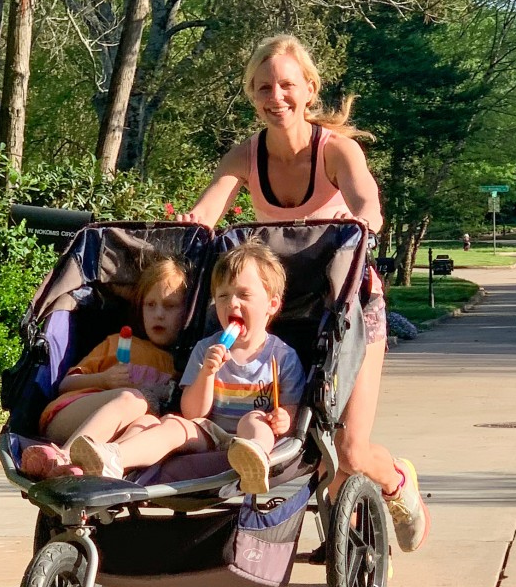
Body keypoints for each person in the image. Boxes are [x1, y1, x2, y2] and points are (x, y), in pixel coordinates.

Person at [175, 32, 429, 554]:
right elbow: (208, 211)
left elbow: (366, 203)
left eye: (287, 85)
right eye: (264, 87)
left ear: (309, 89)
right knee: (304, 439)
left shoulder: (336, 151)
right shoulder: (245, 157)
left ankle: (399, 484)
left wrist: (365, 220)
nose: (276, 97)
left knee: (350, 452)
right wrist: (190, 224)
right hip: (286, 312)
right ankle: (325, 519)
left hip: (350, 308)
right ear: (252, 93)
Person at [70, 241, 305, 495]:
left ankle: (254, 463)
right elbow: (193, 412)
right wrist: (207, 373)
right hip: (210, 432)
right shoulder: (206, 349)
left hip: (252, 437)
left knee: (254, 419)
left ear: (272, 305)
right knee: (174, 425)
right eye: (223, 296)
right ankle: (114, 457)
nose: (232, 304)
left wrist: (283, 421)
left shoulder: (282, 357)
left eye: (244, 295)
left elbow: (289, 415)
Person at [20, 256, 188, 478]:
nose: (158, 314)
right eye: (150, 304)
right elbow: (65, 385)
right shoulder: (117, 343)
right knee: (133, 400)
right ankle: (65, 457)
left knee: (147, 422)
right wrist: (103, 380)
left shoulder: (182, 366)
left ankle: (97, 469)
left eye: (170, 306)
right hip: (69, 416)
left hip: (114, 437)